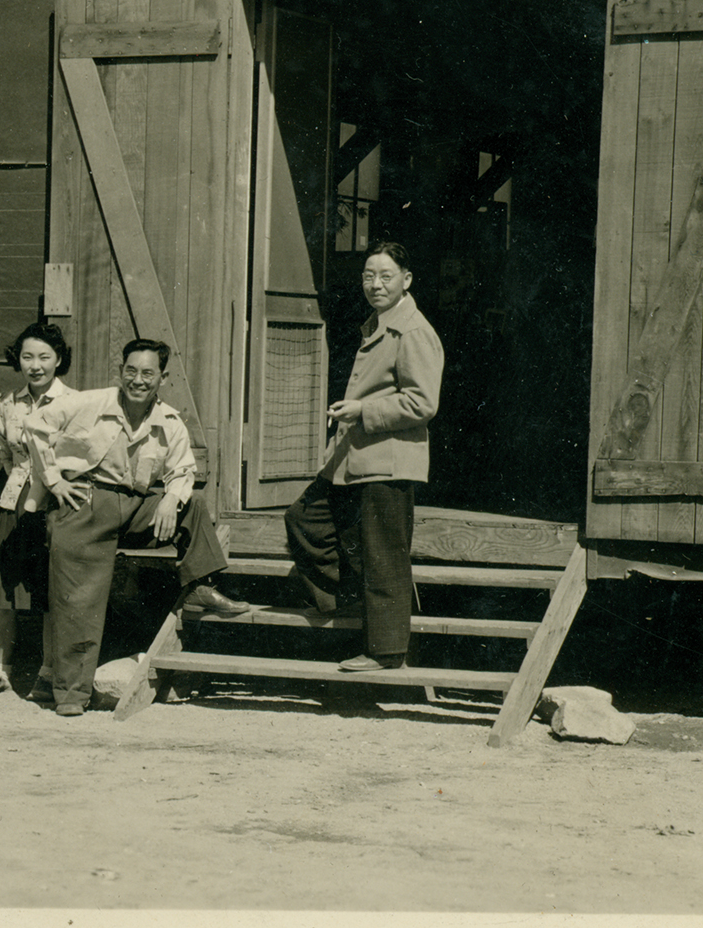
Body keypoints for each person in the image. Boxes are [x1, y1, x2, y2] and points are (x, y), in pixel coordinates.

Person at [28, 338, 252, 717]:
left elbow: (183, 469)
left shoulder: (169, 421)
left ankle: (200, 586)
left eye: (148, 373)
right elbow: (35, 424)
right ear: (121, 372)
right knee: (78, 601)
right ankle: (70, 695)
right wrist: (54, 481)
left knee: (192, 506)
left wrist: (169, 498)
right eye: (131, 371)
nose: (138, 380)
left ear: (161, 377)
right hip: (87, 502)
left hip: (135, 505)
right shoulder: (90, 403)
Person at [282, 241, 444, 672]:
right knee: (305, 518)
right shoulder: (377, 323)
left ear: (406, 280)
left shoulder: (412, 331)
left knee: (384, 554)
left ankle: (386, 651)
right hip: (354, 459)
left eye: (385, 276)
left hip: (388, 460)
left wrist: (362, 410)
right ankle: (353, 600)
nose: (375, 284)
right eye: (368, 276)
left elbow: (423, 403)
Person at [0, 321, 76, 701]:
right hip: (14, 501)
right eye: (28, 356)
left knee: (50, 592)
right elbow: (6, 455)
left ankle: (48, 674)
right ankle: (1, 672)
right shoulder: (5, 404)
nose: (36, 365)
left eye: (45, 357)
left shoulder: (73, 403)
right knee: (4, 593)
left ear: (58, 360)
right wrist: (19, 492)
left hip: (57, 502)